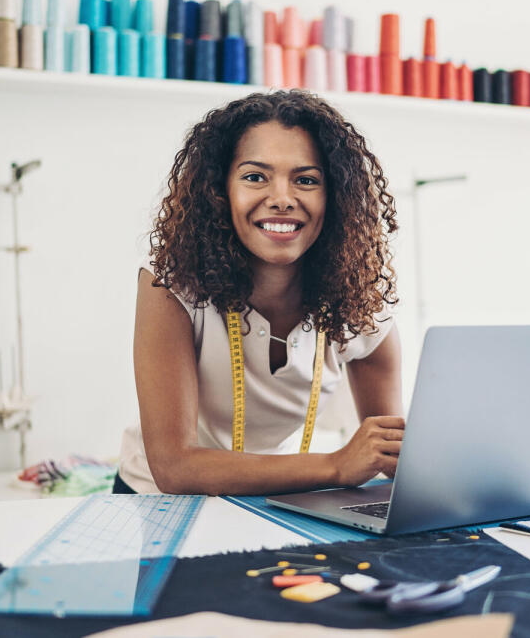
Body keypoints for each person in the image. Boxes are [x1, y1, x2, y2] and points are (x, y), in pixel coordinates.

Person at [116, 90, 404, 495]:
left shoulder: (356, 304)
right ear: (219, 191)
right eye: (255, 177)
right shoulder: (170, 284)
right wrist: (337, 465)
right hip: (156, 501)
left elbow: (394, 457)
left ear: (334, 197)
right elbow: (174, 466)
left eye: (306, 180)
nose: (283, 199)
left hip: (271, 495)